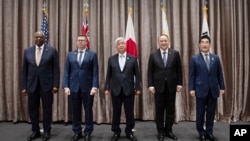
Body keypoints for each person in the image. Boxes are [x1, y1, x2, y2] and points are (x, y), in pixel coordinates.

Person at [21, 31, 60, 141]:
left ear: (44, 38)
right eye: (36, 37)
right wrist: (24, 87)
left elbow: (56, 70)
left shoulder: (52, 51)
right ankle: (35, 130)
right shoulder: (27, 51)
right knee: (32, 108)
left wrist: (55, 85)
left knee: (47, 109)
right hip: (31, 85)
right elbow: (24, 71)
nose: (38, 39)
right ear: (34, 38)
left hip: (47, 86)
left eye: (41, 37)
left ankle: (47, 130)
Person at [62, 35, 99, 141]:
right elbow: (66, 72)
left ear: (86, 42)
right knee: (75, 111)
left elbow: (95, 72)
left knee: (88, 111)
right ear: (76, 42)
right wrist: (65, 86)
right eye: (78, 40)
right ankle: (77, 132)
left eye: (82, 40)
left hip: (88, 88)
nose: (80, 42)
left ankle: (88, 132)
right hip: (73, 88)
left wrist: (94, 86)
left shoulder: (92, 54)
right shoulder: (70, 55)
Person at [189, 35, 225, 141]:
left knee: (211, 113)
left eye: (206, 42)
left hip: (213, 90)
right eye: (202, 42)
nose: (205, 44)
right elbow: (192, 75)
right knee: (200, 113)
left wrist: (222, 87)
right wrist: (192, 88)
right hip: (200, 90)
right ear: (199, 45)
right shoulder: (194, 59)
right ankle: (201, 133)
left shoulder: (216, 58)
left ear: (210, 44)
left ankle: (209, 132)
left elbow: (220, 74)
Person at [104, 37, 141, 141]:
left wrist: (137, 87)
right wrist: (107, 87)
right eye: (119, 44)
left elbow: (137, 75)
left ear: (126, 46)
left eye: (123, 44)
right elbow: (108, 75)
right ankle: (116, 132)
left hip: (129, 90)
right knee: (116, 112)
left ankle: (129, 131)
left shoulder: (133, 58)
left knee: (129, 112)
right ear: (116, 46)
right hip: (115, 90)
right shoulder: (111, 59)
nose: (121, 45)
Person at [147, 34, 183, 141]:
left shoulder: (175, 54)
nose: (163, 43)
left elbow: (179, 70)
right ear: (158, 42)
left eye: (165, 41)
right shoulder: (153, 55)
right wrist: (150, 85)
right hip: (158, 87)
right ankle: (160, 132)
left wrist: (179, 84)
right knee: (159, 110)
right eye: (161, 41)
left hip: (172, 86)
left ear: (168, 41)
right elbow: (150, 72)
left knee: (170, 110)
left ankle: (169, 130)